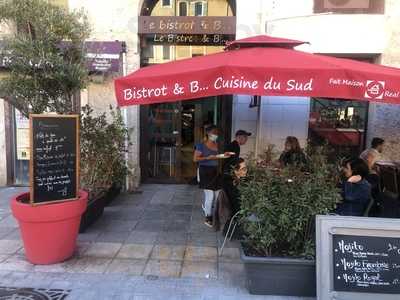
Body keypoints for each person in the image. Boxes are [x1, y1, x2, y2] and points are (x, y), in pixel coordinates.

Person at [193, 125, 232, 227]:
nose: (216, 135)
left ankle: (211, 210)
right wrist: (207, 157)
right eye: (214, 133)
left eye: (217, 133)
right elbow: (195, 159)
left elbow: (217, 157)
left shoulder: (216, 144)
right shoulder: (201, 145)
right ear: (208, 133)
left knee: (217, 194)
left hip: (215, 172)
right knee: (210, 196)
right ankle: (208, 217)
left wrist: (224, 155)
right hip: (205, 171)